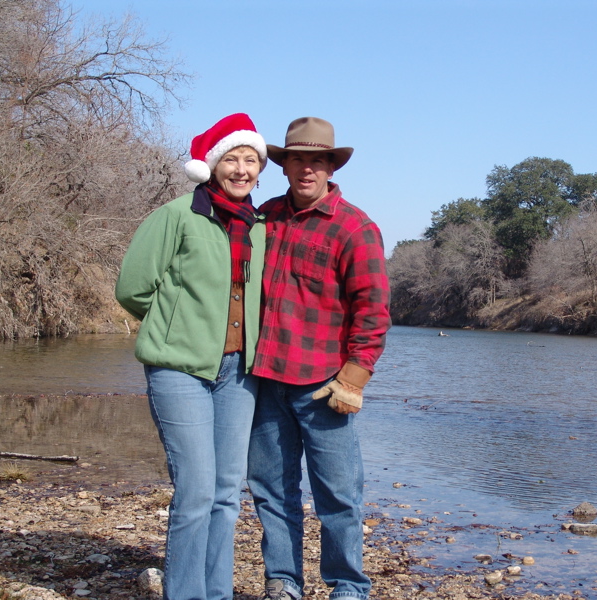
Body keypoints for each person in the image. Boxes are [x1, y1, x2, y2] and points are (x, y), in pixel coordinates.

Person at [115, 113, 268, 600]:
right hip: (178, 369)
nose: (241, 169)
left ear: (260, 169)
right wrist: (174, 326)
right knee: (197, 491)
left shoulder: (260, 227)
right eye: (232, 159)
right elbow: (133, 288)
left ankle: (216, 593)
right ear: (212, 165)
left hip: (238, 374)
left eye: (251, 160)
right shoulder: (177, 215)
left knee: (226, 493)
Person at [247, 117, 391, 600]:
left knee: (339, 495)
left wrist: (354, 379)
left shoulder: (356, 228)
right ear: (284, 165)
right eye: (297, 159)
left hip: (324, 385)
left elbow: (373, 312)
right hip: (263, 380)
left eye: (316, 160)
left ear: (331, 167)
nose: (306, 168)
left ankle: (348, 586)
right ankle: (283, 580)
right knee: (271, 490)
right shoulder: (264, 217)